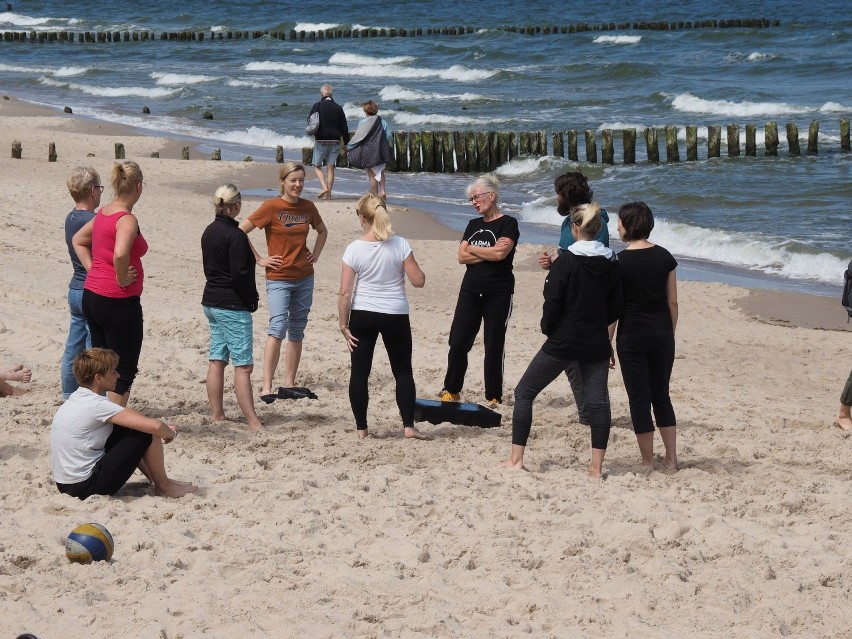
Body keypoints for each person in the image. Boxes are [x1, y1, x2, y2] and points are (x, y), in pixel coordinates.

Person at [502, 202, 622, 478]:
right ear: (599, 228)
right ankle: (595, 469)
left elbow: (552, 301)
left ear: (575, 228)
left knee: (525, 392)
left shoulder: (566, 260)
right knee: (598, 403)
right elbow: (617, 306)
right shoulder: (611, 262)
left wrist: (549, 329)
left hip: (564, 340)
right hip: (595, 340)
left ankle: (516, 459)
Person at [50, 348, 196, 500]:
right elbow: (155, 427)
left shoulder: (79, 397)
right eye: (113, 372)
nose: (118, 375)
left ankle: (158, 480)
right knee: (145, 432)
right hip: (85, 486)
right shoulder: (96, 405)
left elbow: (133, 417)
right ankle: (164, 487)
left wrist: (158, 428)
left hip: (65, 484)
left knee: (132, 427)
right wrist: (171, 433)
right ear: (98, 378)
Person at [338, 193, 427, 439]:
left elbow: (345, 292)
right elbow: (418, 281)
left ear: (362, 218)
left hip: (363, 313)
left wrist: (343, 324)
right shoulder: (399, 244)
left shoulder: (354, 248)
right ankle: (408, 426)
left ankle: (362, 429)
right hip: (394, 313)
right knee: (402, 370)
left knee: (359, 372)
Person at [239, 162, 328, 403]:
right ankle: (267, 386)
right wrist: (260, 259)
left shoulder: (308, 207)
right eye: (293, 180)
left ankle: (289, 383)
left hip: (305, 277)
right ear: (283, 182)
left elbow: (322, 231)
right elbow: (240, 232)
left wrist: (316, 255)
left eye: (301, 180)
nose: (298, 185)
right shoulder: (271, 207)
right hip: (279, 279)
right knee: (277, 328)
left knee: (297, 328)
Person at [440, 175, 519, 408]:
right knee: (458, 341)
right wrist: (485, 251)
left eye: (476, 197)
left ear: (491, 196)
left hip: (499, 291)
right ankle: (452, 389)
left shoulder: (508, 223)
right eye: (471, 199)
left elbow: (500, 254)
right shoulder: (473, 225)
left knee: (494, 343)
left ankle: (493, 395)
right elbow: (461, 257)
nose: (474, 202)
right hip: (471, 290)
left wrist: (473, 249)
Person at [72, 160, 146, 408]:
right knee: (122, 368)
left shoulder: (104, 211)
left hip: (93, 295)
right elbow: (120, 253)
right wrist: (120, 277)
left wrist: (95, 271)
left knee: (102, 365)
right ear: (138, 187)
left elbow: (78, 240)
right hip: (117, 301)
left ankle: (95, 412)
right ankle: (112, 419)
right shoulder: (126, 219)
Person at [614, 202, 679, 470]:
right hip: (662, 333)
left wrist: (607, 341)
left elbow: (614, 309)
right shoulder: (665, 257)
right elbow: (673, 303)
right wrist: (669, 332)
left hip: (631, 335)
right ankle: (672, 458)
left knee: (638, 397)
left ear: (629, 226)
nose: (616, 227)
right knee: (661, 394)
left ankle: (647, 460)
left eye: (618, 222)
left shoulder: (618, 261)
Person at [201, 184, 262, 432]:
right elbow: (240, 275)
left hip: (212, 301)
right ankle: (252, 421)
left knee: (217, 359)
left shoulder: (209, 231)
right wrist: (251, 299)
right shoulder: (235, 235)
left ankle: (217, 415)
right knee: (243, 365)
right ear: (235, 205)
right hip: (231, 304)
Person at [61, 166, 101, 399]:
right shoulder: (92, 220)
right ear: (92, 191)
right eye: (99, 188)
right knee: (93, 349)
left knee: (73, 347)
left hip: (75, 286)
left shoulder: (71, 217)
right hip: (89, 287)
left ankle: (68, 394)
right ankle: (92, 397)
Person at [539, 171, 610, 271]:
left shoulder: (595, 222)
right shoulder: (567, 221)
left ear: (566, 196)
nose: (557, 197)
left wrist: (560, 262)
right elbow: (563, 254)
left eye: (558, 193)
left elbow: (596, 263)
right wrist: (551, 264)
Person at [308, 83, 350, 199]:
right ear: (331, 95)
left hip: (321, 140)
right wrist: (346, 142)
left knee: (317, 165)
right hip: (335, 141)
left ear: (321, 94)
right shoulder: (338, 108)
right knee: (330, 168)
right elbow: (344, 127)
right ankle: (329, 194)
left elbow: (310, 121)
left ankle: (324, 187)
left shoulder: (317, 106)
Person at [346, 100, 393, 199]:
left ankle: (375, 195)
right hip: (381, 151)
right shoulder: (382, 121)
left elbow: (359, 137)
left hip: (368, 151)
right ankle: (383, 191)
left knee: (372, 173)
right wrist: (382, 144)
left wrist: (349, 147)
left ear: (365, 111)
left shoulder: (363, 122)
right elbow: (388, 136)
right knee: (380, 171)